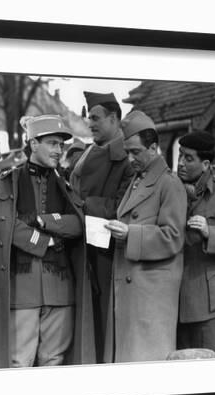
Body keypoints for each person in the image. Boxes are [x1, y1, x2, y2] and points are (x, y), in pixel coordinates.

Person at [0, 115, 95, 369]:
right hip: (22, 290)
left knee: (54, 362)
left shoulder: (65, 184)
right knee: (19, 362)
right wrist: (45, 242)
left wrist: (43, 220)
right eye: (53, 143)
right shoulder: (7, 182)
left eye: (61, 145)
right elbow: (4, 225)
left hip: (61, 289)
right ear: (33, 144)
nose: (59, 150)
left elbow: (79, 223)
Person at [104, 110, 187, 363]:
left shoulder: (169, 184)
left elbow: (173, 236)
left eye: (136, 152)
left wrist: (130, 233)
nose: (130, 159)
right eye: (128, 152)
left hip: (151, 299)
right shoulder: (138, 180)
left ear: (153, 148)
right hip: (135, 293)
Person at [69, 92, 134, 362]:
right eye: (88, 118)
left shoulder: (128, 158)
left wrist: (80, 206)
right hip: (81, 246)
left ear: (114, 118)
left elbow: (123, 208)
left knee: (104, 321)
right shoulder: (88, 153)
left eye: (95, 118)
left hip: (107, 252)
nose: (89, 123)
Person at [176, 131, 215, 357]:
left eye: (188, 158)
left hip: (208, 305)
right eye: (179, 156)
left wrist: (208, 231)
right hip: (174, 300)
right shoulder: (172, 189)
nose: (180, 163)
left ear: (205, 164)